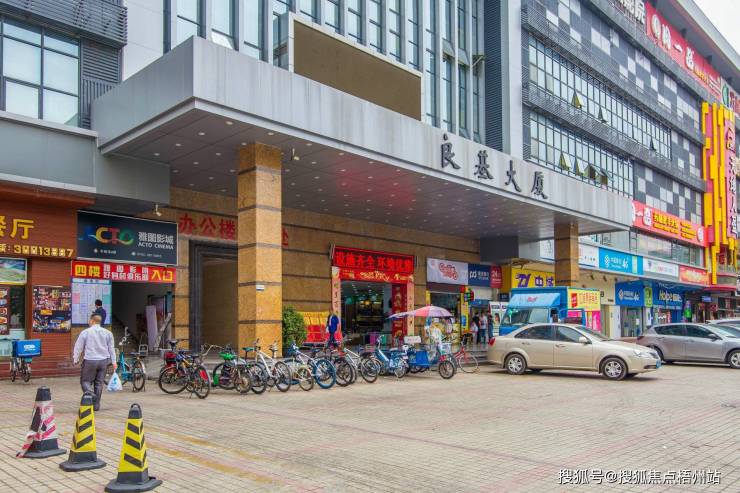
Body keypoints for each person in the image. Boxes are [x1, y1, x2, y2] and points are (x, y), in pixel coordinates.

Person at [73, 315, 116, 411]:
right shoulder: (108, 333)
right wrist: (114, 362)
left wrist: (75, 359)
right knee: (99, 383)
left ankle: (92, 396)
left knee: (85, 382)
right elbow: (111, 349)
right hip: (103, 361)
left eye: (89, 320)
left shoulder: (86, 332)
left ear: (92, 321)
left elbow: (78, 347)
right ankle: (96, 406)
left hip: (90, 360)